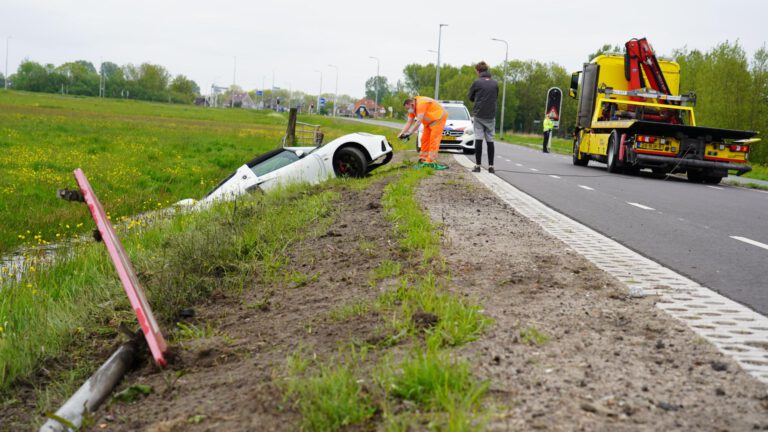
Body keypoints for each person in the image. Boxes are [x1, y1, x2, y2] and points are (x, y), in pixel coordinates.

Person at [398, 96, 448, 169]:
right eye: (406, 109)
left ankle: (431, 160)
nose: (408, 110)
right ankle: (423, 159)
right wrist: (401, 134)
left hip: (439, 119)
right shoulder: (413, 109)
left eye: (408, 108)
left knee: (433, 140)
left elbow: (418, 122)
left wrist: (409, 133)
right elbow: (409, 122)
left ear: (412, 104)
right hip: (429, 123)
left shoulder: (420, 104)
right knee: (424, 139)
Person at [467, 61, 499, 173]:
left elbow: (470, 97)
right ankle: (491, 166)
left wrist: (477, 99)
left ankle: (478, 165)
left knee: (479, 139)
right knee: (490, 140)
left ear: (478, 71)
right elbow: (496, 96)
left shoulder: (477, 82)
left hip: (479, 115)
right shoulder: (495, 83)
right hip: (491, 115)